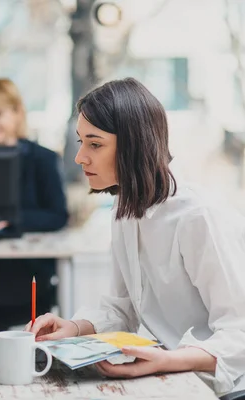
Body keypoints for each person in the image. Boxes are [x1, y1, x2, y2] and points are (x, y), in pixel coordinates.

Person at [27, 77, 245, 396]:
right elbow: (122, 307)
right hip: (170, 376)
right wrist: (72, 328)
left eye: (95, 143)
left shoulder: (197, 216)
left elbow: (239, 332)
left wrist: (164, 361)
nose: (80, 157)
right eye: (80, 142)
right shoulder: (124, 208)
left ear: (132, 144)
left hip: (221, 388)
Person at [0, 78, 68, 340]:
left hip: (28, 270)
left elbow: (57, 216)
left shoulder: (42, 159)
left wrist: (11, 219)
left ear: (18, 112)